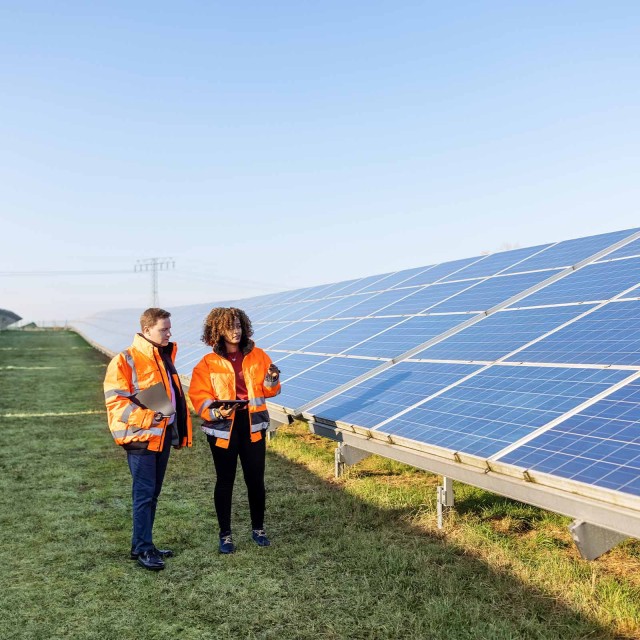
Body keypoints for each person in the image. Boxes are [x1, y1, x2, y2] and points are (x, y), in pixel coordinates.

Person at [104, 307, 192, 570]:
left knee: (152, 495)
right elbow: (115, 403)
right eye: (163, 329)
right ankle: (143, 549)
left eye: (169, 328)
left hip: (161, 435)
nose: (169, 333)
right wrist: (147, 418)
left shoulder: (162, 356)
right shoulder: (125, 360)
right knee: (143, 495)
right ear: (146, 330)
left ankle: (143, 543)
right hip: (141, 439)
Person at [189, 307, 281, 554]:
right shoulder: (207, 363)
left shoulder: (259, 355)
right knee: (225, 481)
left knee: (255, 480)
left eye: (239, 326)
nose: (236, 331)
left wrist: (272, 378)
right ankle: (225, 535)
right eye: (230, 327)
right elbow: (199, 396)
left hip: (253, 426)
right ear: (217, 330)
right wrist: (218, 412)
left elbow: (270, 390)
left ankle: (258, 529)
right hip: (223, 429)